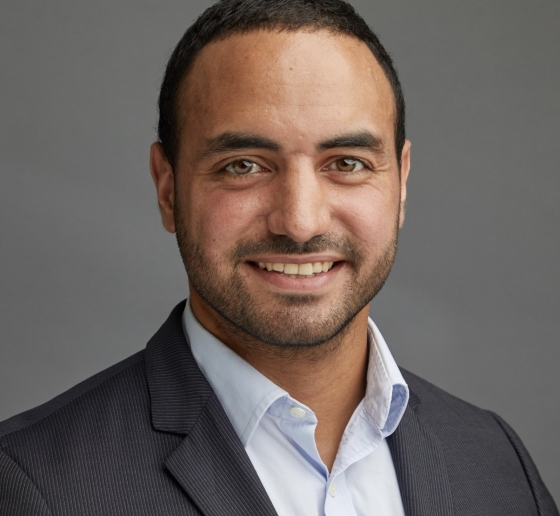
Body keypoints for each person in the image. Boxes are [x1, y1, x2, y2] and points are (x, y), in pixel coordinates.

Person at [0, 0, 557, 514]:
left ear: (401, 183)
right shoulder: (34, 485)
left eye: (347, 162)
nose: (300, 221)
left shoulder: (499, 465)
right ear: (168, 189)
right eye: (244, 165)